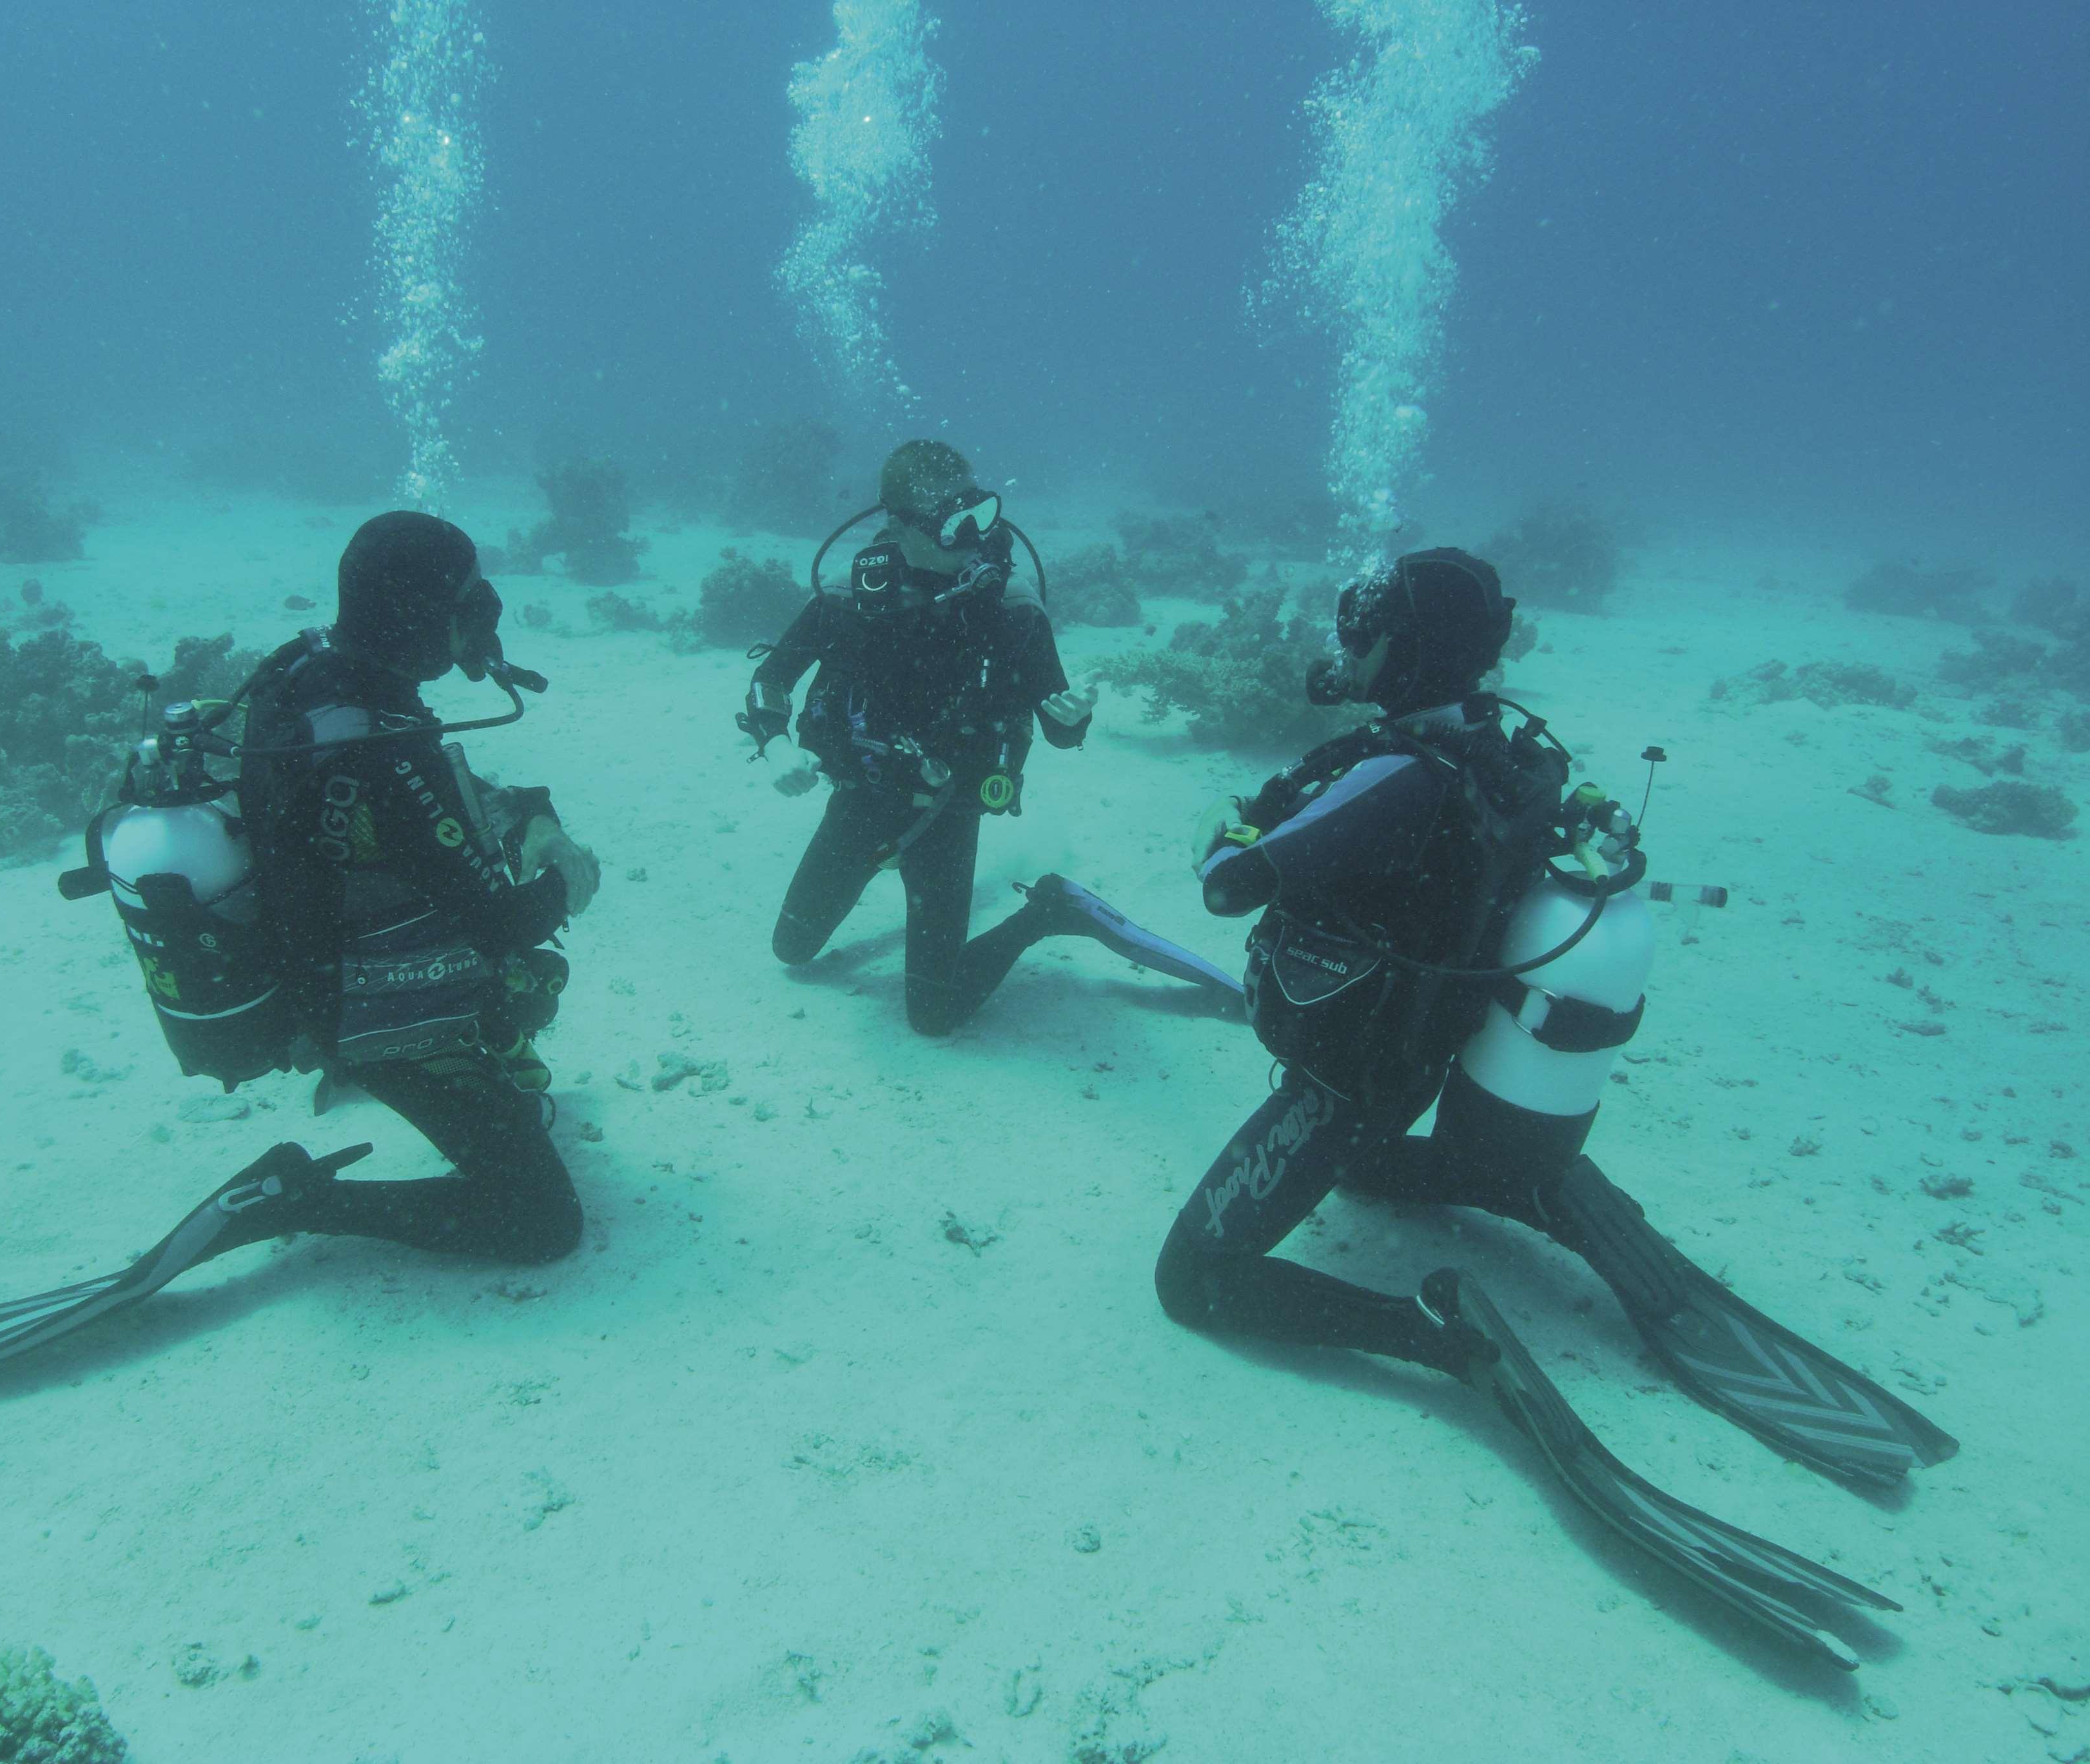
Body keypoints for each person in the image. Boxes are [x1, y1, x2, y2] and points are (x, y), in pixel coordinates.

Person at [1152, 549, 1955, 1667]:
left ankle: (1433, 1334)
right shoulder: (1513, 746)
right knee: (1373, 1169)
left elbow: (1228, 884)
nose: (1351, 641)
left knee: (1192, 1281)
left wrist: (1225, 830)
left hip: (1351, 1081)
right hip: (1444, 1057)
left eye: (1367, 624)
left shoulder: (1398, 771)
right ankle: (1543, 1183)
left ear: (1407, 646)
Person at [0, 513, 599, 1396]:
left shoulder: (310, 674)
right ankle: (301, 1201)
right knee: (540, 1220)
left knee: (517, 1044)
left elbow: (425, 807)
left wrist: (529, 808)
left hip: (308, 974)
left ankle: (447, 1061)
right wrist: (569, 876)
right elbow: (497, 921)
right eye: (462, 602)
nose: (477, 621)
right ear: (415, 614)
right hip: (365, 1010)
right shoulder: (375, 734)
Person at [738, 440, 1235, 1035]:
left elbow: (1057, 726)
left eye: (979, 512)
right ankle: (886, 872)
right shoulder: (852, 601)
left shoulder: (1010, 611)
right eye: (953, 523)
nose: (974, 535)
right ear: (900, 526)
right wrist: (777, 746)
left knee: (934, 1015)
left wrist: (1073, 718)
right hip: (862, 799)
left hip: (948, 815)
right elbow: (771, 681)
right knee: (791, 951)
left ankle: (1049, 911)